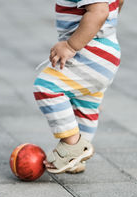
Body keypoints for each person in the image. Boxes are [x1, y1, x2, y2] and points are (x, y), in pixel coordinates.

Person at [33, 0, 124, 174]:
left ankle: (72, 145)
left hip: (92, 50)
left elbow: (99, 11)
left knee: (46, 87)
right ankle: (76, 159)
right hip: (105, 50)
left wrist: (70, 45)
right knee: (86, 104)